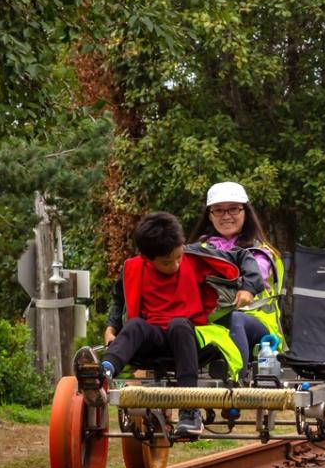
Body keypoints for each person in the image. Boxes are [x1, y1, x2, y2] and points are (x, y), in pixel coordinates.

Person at [102, 212, 264, 436]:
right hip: (154, 339)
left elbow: (243, 257)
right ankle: (104, 372)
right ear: (148, 260)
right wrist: (111, 329)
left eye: (178, 256)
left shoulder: (195, 258)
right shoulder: (133, 268)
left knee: (179, 325)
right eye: (167, 263)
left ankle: (190, 412)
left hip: (192, 339)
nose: (176, 264)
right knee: (136, 324)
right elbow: (119, 301)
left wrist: (248, 287)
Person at [188, 181, 283, 373]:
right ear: (210, 215)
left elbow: (250, 277)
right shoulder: (198, 249)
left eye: (233, 209)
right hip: (210, 322)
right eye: (219, 210)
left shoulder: (261, 252)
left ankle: (237, 383)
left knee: (235, 318)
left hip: (258, 326)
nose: (226, 216)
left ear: (245, 212)